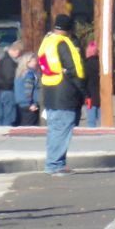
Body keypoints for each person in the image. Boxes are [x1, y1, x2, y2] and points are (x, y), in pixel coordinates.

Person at [37, 14, 85, 175]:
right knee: (61, 131)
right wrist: (83, 90)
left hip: (49, 91)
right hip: (64, 93)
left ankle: (56, 163)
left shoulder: (47, 41)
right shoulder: (63, 43)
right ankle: (55, 164)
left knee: (54, 130)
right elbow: (74, 69)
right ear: (69, 29)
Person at [0, 40, 23, 127]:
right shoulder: (8, 62)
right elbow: (9, 77)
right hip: (8, 90)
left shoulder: (5, 59)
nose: (19, 55)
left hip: (2, 90)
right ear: (16, 51)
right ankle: (5, 129)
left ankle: (1, 129)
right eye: (19, 53)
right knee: (8, 115)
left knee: (2, 114)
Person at [15, 53, 41, 126]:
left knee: (24, 124)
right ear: (27, 62)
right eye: (34, 61)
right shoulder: (30, 74)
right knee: (29, 126)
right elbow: (28, 89)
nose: (36, 63)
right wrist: (31, 103)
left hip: (21, 104)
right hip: (29, 105)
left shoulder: (20, 73)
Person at [83, 40, 101, 128]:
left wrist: (85, 95)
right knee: (102, 121)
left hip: (90, 96)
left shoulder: (86, 65)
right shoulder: (101, 64)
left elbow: (84, 81)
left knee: (91, 121)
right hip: (101, 95)